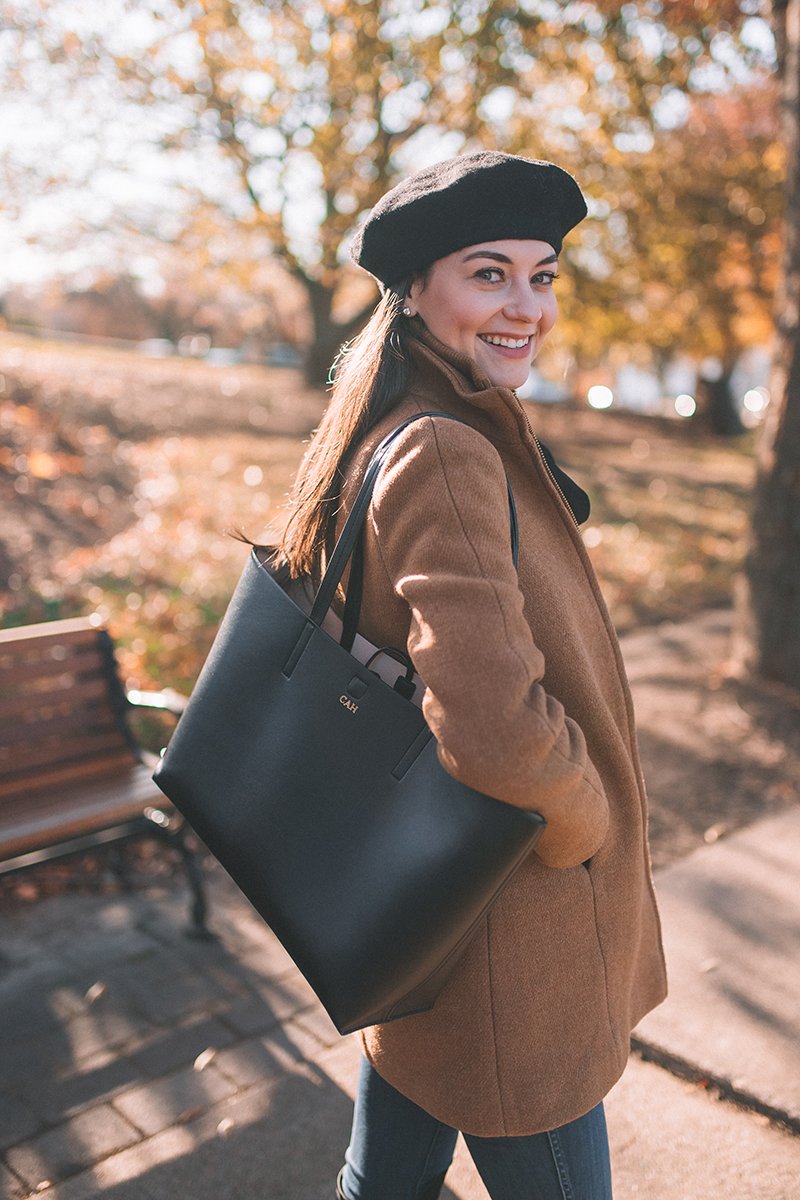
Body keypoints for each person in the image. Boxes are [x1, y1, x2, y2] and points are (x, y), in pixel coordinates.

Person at [277, 152, 667, 1200]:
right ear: (414, 290)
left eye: (540, 276)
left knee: (386, 1175)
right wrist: (583, 823)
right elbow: (494, 725)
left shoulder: (409, 417)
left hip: (432, 932)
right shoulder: (444, 446)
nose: (524, 305)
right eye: (487, 273)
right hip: (508, 930)